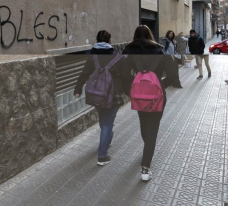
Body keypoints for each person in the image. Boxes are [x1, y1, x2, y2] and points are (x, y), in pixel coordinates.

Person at [122, 25, 177, 181]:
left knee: (144, 124)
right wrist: (160, 86)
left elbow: (124, 74)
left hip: (139, 95)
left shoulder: (130, 49)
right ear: (150, 34)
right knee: (152, 128)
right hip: (157, 96)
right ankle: (145, 169)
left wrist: (133, 88)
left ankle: (148, 149)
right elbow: (172, 75)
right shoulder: (160, 49)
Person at [74, 30, 130, 166]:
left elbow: (84, 73)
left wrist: (78, 89)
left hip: (96, 94)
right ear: (109, 41)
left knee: (104, 120)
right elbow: (125, 78)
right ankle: (102, 156)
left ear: (97, 40)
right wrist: (129, 91)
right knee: (107, 123)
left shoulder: (92, 56)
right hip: (114, 94)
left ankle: (107, 139)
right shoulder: (119, 58)